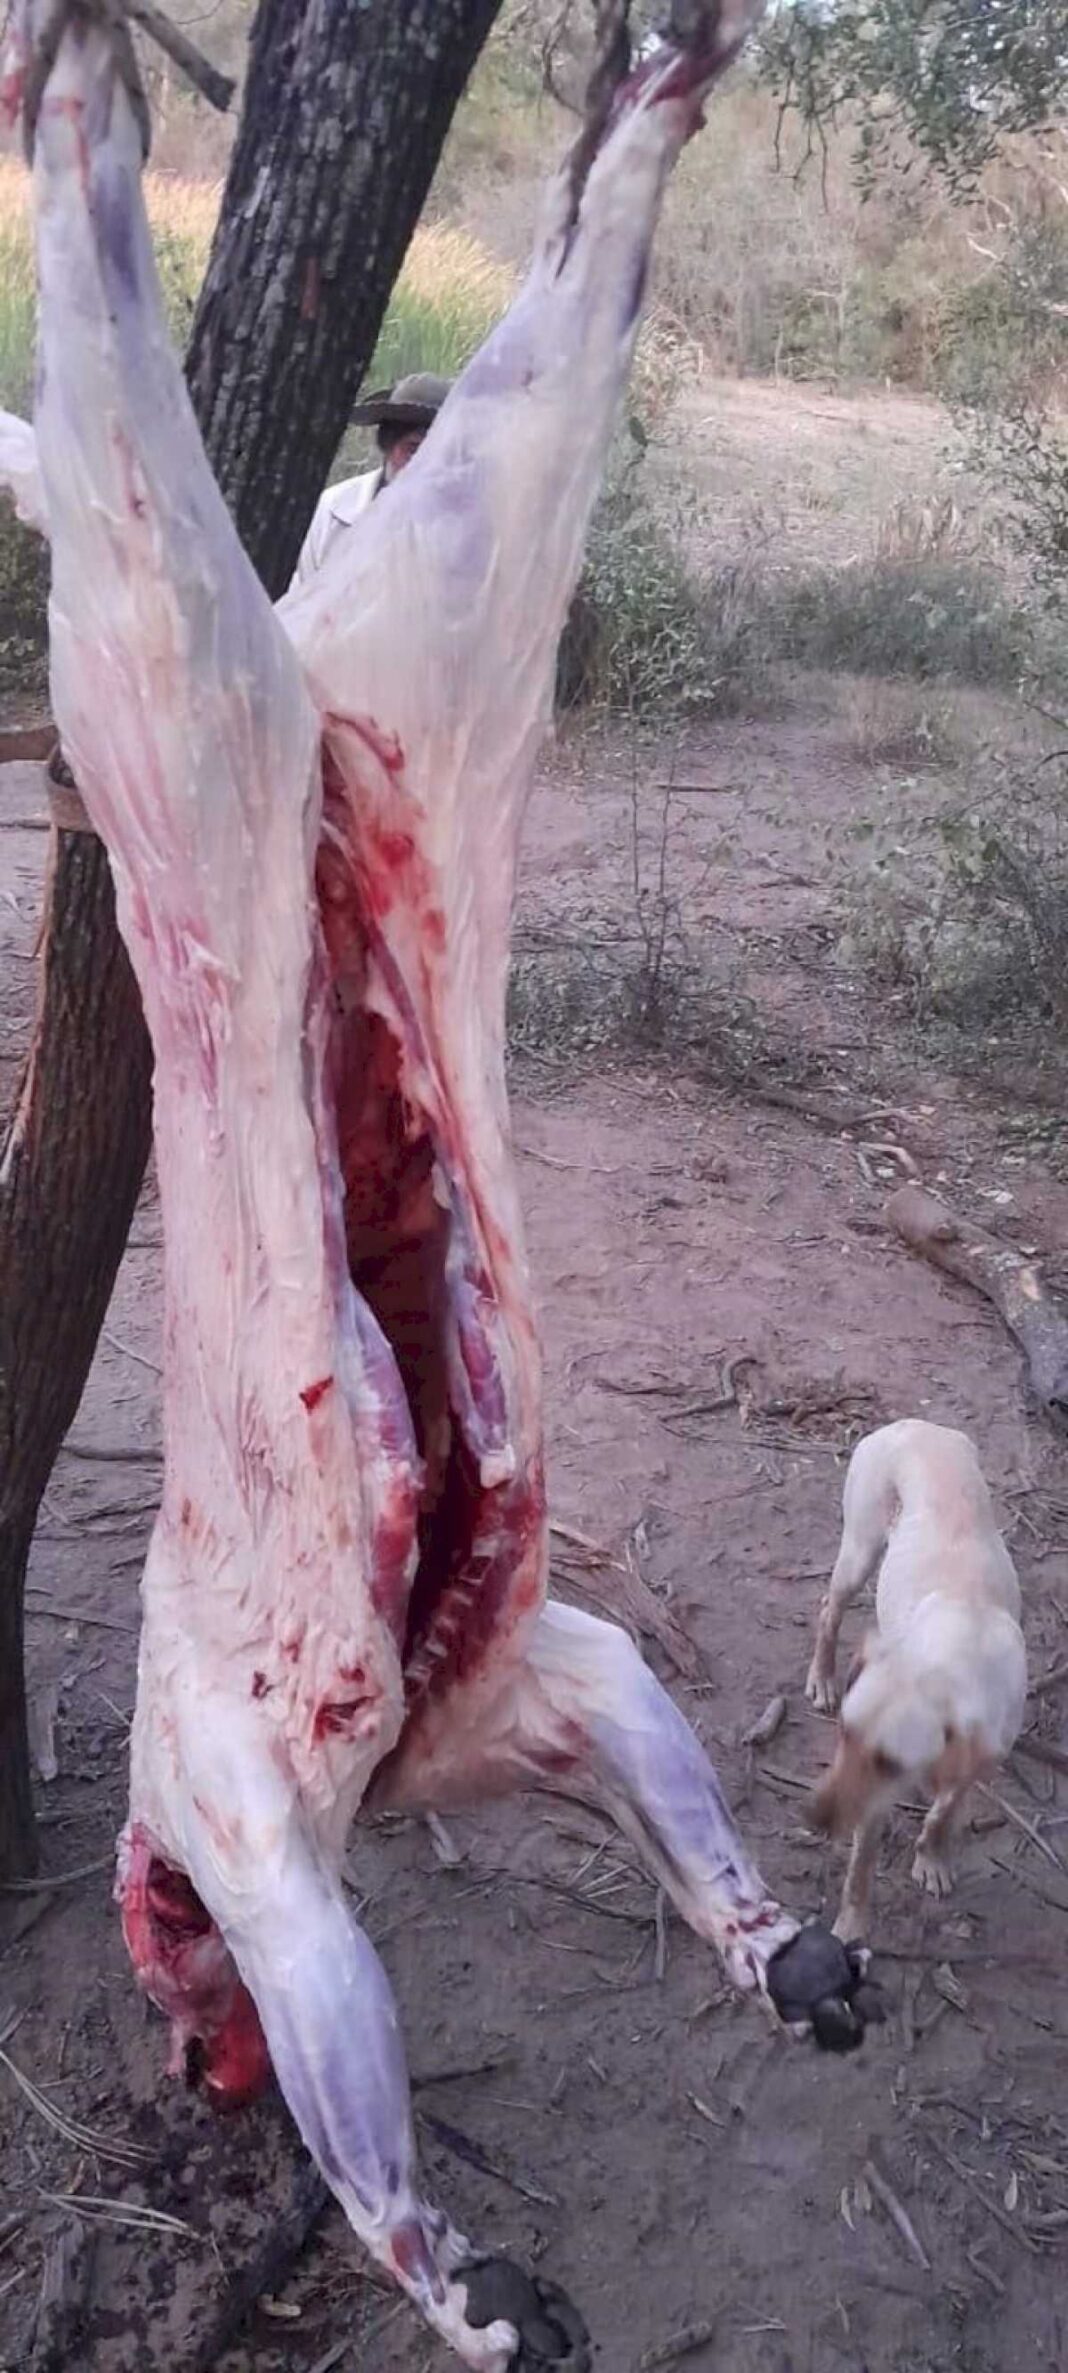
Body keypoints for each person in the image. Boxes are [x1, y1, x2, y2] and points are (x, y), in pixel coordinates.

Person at [291, 371, 451, 587]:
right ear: (388, 446)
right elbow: (301, 598)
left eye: (438, 450)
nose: (424, 463)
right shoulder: (335, 511)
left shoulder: (469, 525)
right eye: (413, 449)